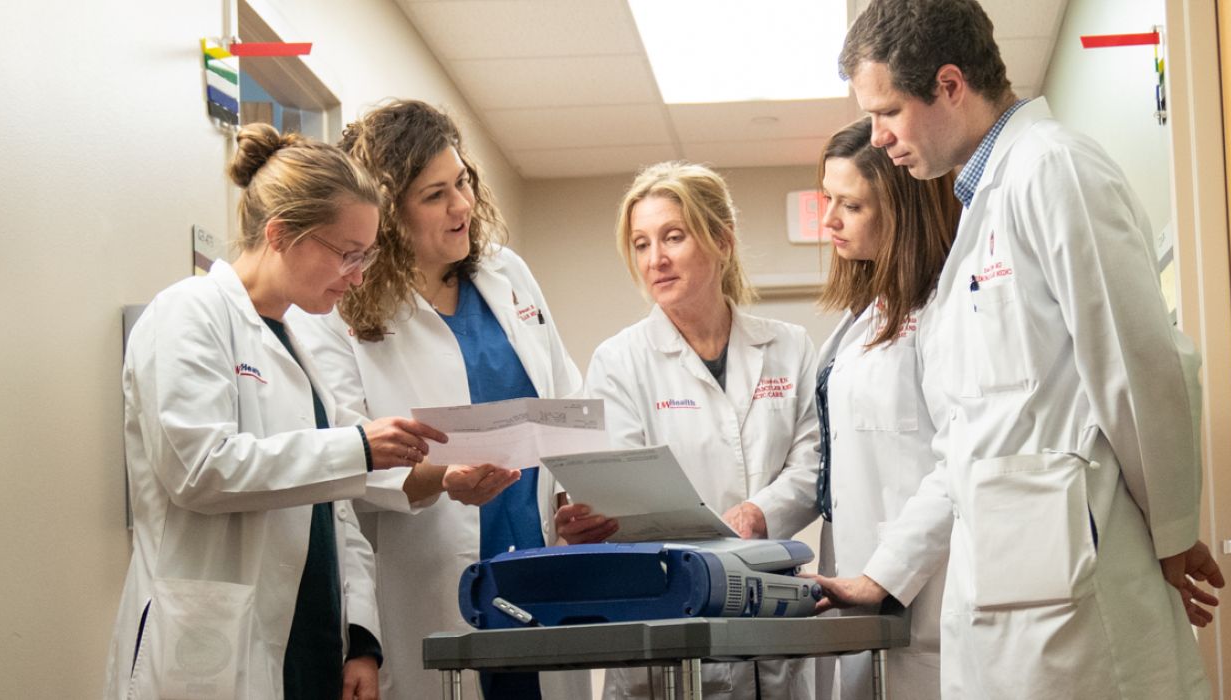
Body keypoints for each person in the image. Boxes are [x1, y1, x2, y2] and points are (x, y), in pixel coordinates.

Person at [812, 0, 1225, 697]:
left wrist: (1174, 534)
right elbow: (968, 437)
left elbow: (1139, 363)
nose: (877, 138)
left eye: (887, 113)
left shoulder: (1053, 168)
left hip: (1080, 601)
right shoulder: (980, 207)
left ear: (949, 85)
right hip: (1008, 591)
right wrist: (880, 575)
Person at [105, 123, 451, 700]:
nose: (359, 276)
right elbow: (198, 470)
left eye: (367, 256)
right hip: (212, 645)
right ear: (281, 234)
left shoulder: (298, 341)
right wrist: (357, 446)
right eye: (348, 254)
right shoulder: (187, 315)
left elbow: (336, 508)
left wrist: (360, 638)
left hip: (310, 640)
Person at [291, 99, 591, 700]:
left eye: (462, 183)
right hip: (428, 580)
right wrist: (441, 478)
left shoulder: (507, 275)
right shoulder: (338, 310)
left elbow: (567, 400)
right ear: (388, 215)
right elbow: (346, 458)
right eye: (434, 195)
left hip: (536, 564)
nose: (461, 206)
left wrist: (575, 497)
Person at [561, 161, 821, 699]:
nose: (654, 259)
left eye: (673, 237)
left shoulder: (789, 346)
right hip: (664, 604)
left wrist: (761, 512)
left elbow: (812, 462)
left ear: (721, 241)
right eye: (640, 244)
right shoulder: (620, 361)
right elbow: (624, 486)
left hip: (766, 605)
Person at [809, 118, 959, 699]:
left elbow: (957, 460)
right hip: (870, 593)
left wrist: (885, 573)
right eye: (829, 199)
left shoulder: (943, 311)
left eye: (851, 205)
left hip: (926, 598)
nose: (829, 220)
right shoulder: (866, 318)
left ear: (900, 210)